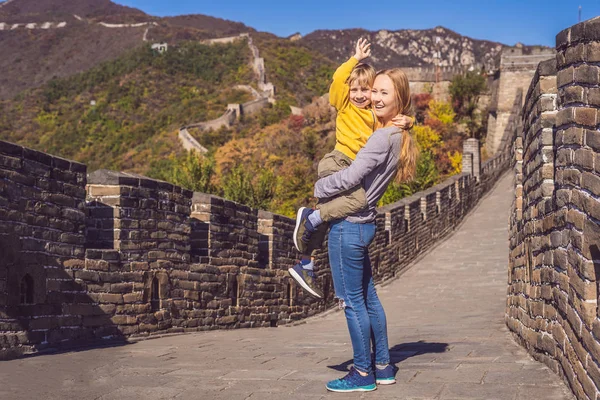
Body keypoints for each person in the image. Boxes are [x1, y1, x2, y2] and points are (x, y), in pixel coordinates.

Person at [313, 68, 418, 392]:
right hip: (364, 225)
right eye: (374, 91)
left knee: (351, 301)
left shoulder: (380, 137)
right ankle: (383, 366)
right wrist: (409, 120)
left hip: (349, 227)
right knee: (369, 299)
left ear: (399, 99)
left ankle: (361, 373)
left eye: (384, 93)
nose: (374, 98)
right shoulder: (396, 134)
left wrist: (319, 187)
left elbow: (350, 178)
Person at [288, 38, 413, 298]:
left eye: (365, 90)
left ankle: (305, 263)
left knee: (329, 218)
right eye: (354, 89)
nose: (359, 95)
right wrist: (354, 59)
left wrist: (410, 121)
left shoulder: (373, 115)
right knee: (357, 200)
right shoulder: (344, 103)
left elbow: (393, 120)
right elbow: (338, 80)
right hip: (337, 161)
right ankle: (311, 217)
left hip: (348, 166)